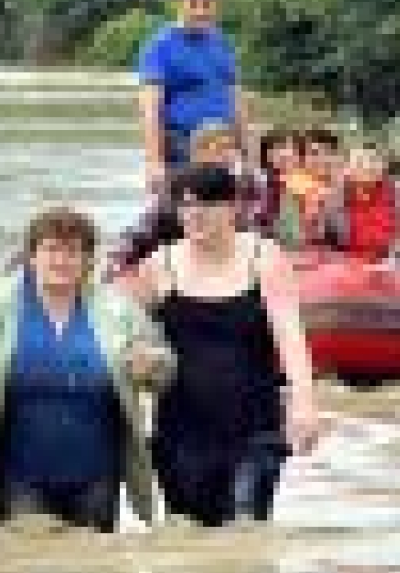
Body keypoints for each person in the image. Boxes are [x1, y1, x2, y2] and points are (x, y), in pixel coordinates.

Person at [0, 207, 173, 532]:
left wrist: (151, 365)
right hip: (18, 475)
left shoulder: (117, 308)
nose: (61, 261)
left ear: (88, 260)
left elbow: (163, 370)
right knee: (29, 571)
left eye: (72, 252)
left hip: (97, 474)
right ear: (31, 256)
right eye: (51, 249)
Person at [122, 164, 323, 527]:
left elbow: (290, 336)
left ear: (232, 207)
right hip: (181, 430)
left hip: (255, 426)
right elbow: (119, 333)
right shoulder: (158, 266)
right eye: (184, 206)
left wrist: (304, 403)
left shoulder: (264, 258)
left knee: (247, 527)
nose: (194, 214)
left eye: (206, 204)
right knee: (190, 536)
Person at [135, 0, 250, 195]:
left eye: (207, 2)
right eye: (194, 1)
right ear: (180, 2)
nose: (201, 10)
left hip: (222, 146)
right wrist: (154, 163)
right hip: (182, 146)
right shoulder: (160, 47)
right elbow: (150, 110)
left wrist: (248, 156)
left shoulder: (222, 43)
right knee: (184, 212)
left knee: (223, 209)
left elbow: (237, 102)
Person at [106, 121, 260, 277]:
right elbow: (138, 237)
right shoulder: (178, 189)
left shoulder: (246, 187)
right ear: (198, 155)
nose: (227, 154)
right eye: (219, 148)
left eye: (231, 148)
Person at [339, 142, 400, 262]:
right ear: (347, 168)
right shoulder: (336, 197)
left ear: (383, 167)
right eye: (360, 162)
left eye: (373, 161)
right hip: (343, 264)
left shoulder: (394, 194)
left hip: (385, 264)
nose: (368, 166)